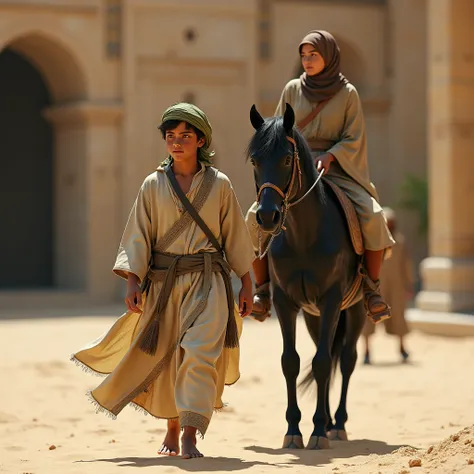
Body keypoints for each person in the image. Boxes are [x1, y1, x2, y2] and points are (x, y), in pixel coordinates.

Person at [71, 102, 255, 459]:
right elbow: (138, 236)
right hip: (164, 286)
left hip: (209, 284)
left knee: (199, 354)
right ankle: (171, 426)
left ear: (201, 140)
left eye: (185, 136)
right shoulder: (152, 185)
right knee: (169, 359)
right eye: (170, 136)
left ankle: (189, 431)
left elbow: (236, 237)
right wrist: (132, 281)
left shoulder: (220, 185)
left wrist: (247, 283)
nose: (176, 142)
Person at [246, 30, 395, 324]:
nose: (307, 60)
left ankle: (371, 289)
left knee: (374, 217)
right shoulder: (291, 89)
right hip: (296, 170)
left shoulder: (347, 94)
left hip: (338, 170)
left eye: (313, 55)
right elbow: (277, 132)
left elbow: (354, 137)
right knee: (253, 218)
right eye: (304, 55)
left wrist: (331, 155)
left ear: (328, 57)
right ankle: (263, 290)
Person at [362, 207, 414, 364]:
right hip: (375, 285)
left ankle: (402, 348)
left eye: (392, 223)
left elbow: (406, 265)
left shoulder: (400, 241)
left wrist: (408, 285)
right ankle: (366, 351)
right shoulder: (372, 241)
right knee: (369, 318)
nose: (390, 225)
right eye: (388, 223)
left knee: (398, 317)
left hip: (396, 286)